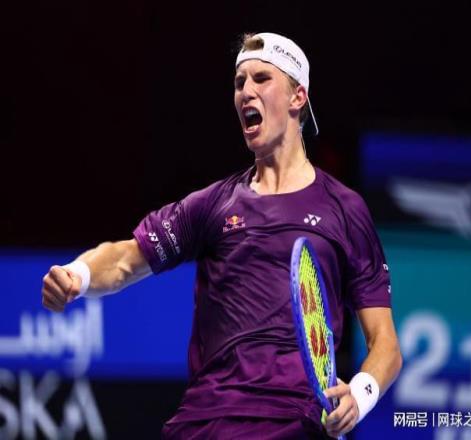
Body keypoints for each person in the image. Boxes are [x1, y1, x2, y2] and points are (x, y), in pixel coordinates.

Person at [42, 32, 402, 439]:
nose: (246, 91)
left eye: (262, 79)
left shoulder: (344, 209)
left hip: (296, 424)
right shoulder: (214, 205)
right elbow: (126, 259)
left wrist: (361, 393)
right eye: (239, 82)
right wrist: (77, 276)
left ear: (298, 97)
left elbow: (385, 343)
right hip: (207, 422)